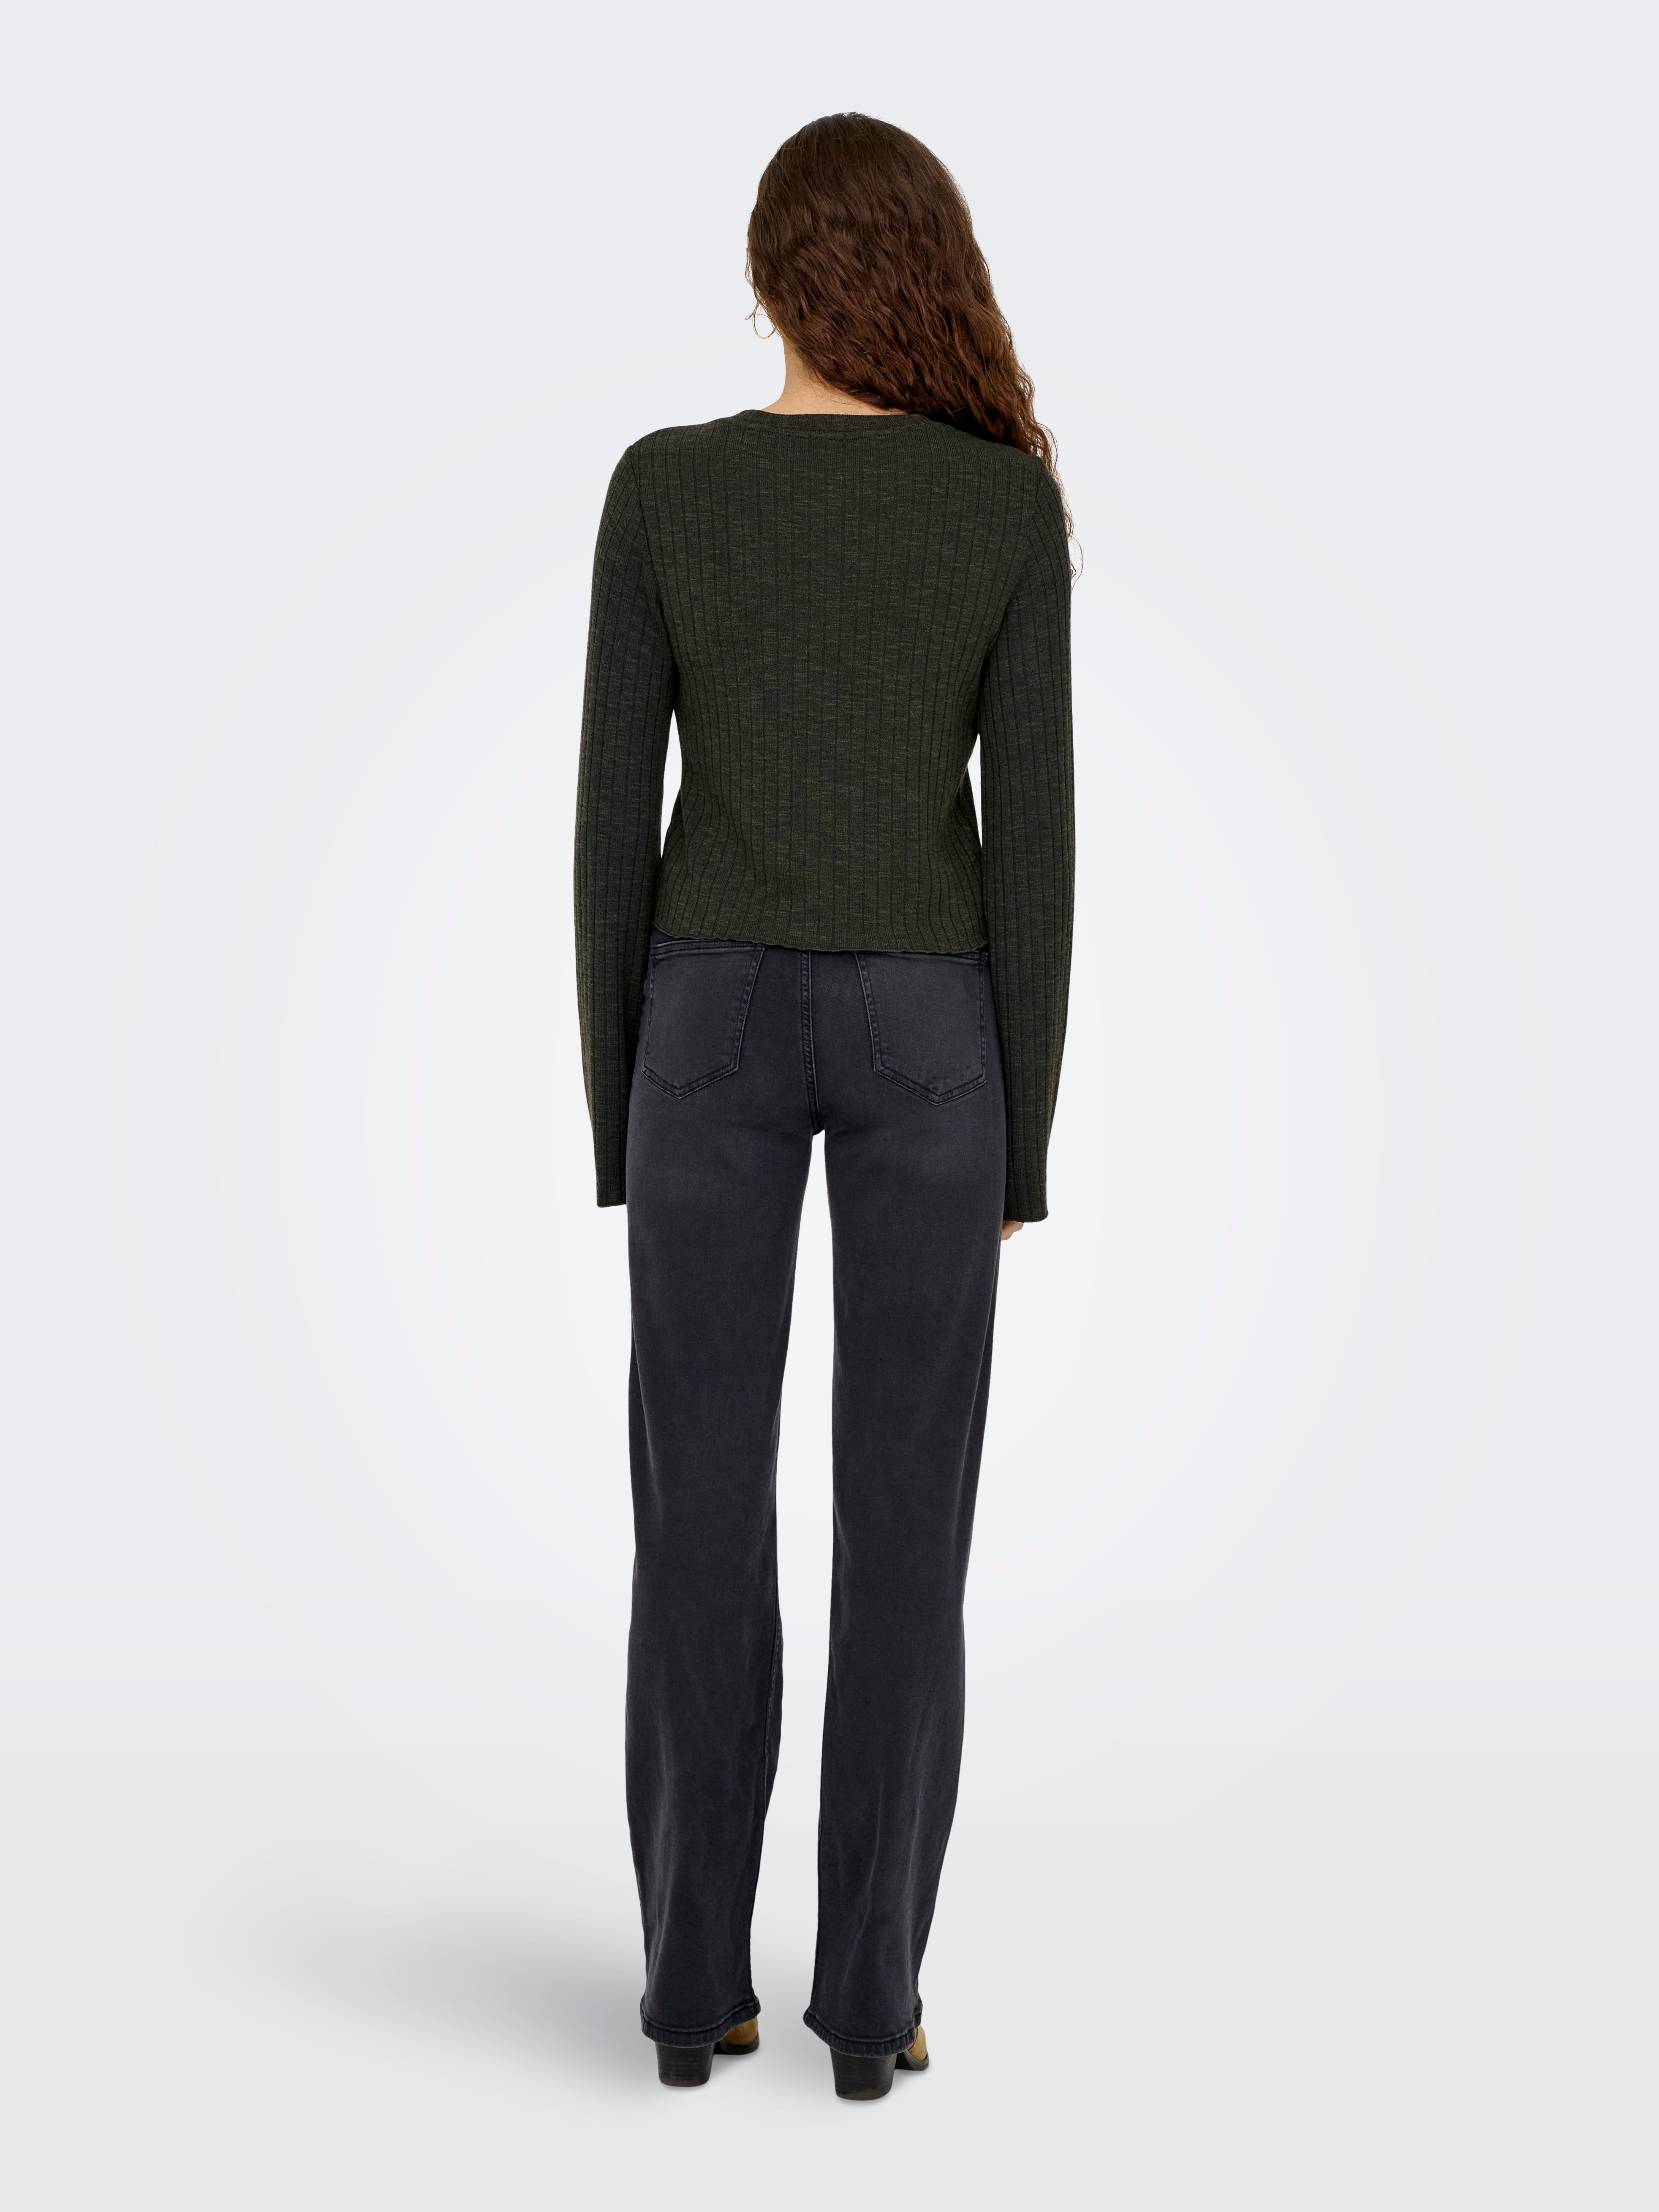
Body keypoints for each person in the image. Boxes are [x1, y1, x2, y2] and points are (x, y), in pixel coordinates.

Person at [574, 112, 1074, 2101]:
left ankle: (692, 1989)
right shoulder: (999, 506)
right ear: (923, 272)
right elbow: (1033, 846)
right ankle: (870, 2007)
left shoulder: (666, 488)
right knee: (904, 1533)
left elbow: (610, 825)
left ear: (770, 278)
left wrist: (615, 1106)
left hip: (699, 1022)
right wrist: (1024, 1130)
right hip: (933, 1032)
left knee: (695, 1517)